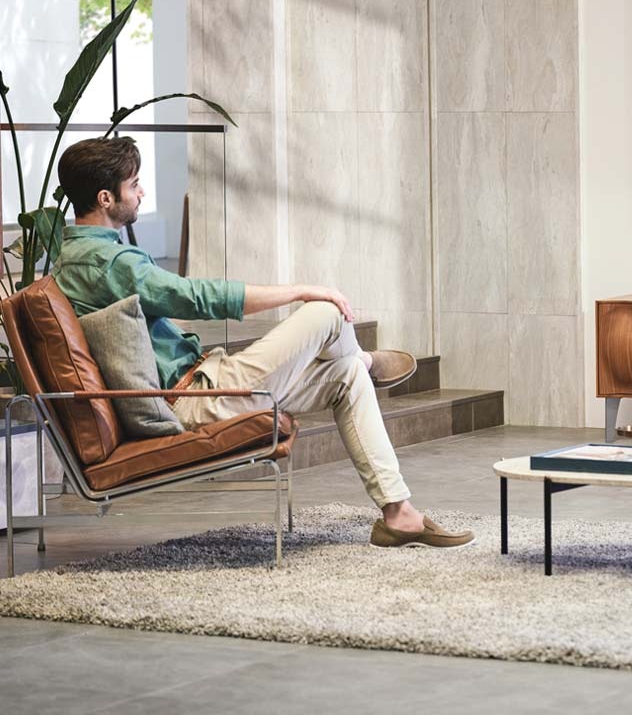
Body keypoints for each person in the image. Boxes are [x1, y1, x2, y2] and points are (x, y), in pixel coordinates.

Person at [50, 136, 472, 549]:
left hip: (204, 383)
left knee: (345, 377)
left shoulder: (78, 257)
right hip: (199, 398)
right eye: (134, 184)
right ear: (106, 199)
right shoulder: (108, 263)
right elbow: (197, 297)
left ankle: (399, 515)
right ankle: (364, 358)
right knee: (325, 310)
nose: (142, 192)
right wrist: (298, 290)